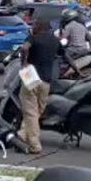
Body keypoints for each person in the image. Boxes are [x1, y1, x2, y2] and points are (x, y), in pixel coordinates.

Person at [19, 20, 61, 154]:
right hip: (46, 81)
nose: (32, 27)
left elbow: (24, 48)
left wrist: (24, 63)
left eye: (34, 25)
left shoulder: (33, 38)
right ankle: (21, 136)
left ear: (39, 27)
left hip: (31, 76)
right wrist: (77, 71)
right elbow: (66, 56)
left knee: (31, 111)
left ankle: (34, 145)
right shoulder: (55, 40)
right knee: (37, 111)